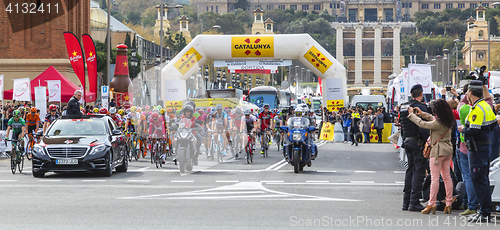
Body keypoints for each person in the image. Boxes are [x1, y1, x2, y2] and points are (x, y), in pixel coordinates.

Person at [407, 99, 456, 214]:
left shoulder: (438, 122)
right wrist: (422, 114)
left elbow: (422, 124)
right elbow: (431, 118)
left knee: (434, 178)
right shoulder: (448, 120)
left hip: (437, 152)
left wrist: (412, 115)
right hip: (447, 150)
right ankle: (449, 203)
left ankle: (431, 203)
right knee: (447, 177)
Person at [457, 80, 496, 222]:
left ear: (471, 93)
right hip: (485, 147)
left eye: (467, 92)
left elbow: (474, 130)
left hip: (477, 148)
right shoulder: (486, 106)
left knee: (478, 180)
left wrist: (463, 129)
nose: (466, 94)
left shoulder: (477, 109)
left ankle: (484, 213)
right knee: (483, 179)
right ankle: (484, 211)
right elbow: (492, 127)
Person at [399, 84, 430, 212]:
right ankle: (414, 202)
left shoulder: (403, 107)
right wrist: (426, 142)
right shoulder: (421, 108)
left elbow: (401, 125)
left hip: (407, 141)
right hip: (417, 143)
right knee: (419, 171)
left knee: (410, 170)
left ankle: (406, 202)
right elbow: (424, 127)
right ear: (421, 95)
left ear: (411, 95)